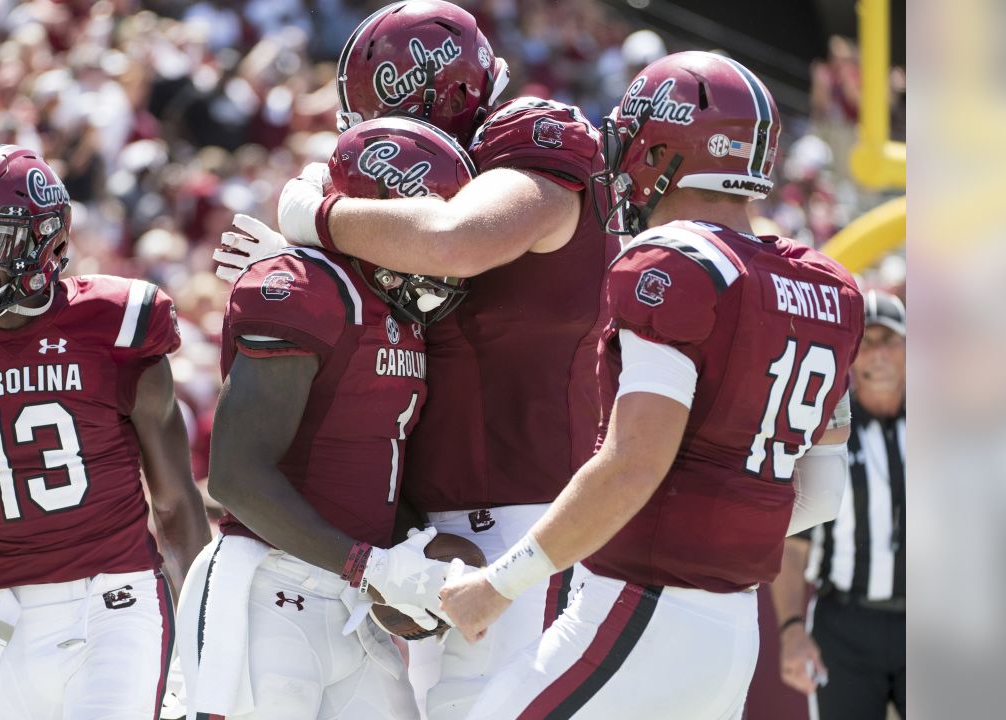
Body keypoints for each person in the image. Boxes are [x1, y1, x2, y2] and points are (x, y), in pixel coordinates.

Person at [438, 51, 865, 719]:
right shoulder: (827, 286)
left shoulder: (673, 264)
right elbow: (823, 492)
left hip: (645, 609)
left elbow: (633, 464)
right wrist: (721, 521)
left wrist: (499, 584)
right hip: (731, 635)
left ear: (660, 144)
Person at [253, 3, 619, 716]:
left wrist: (315, 219)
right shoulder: (403, 212)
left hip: (539, 522)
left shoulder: (530, 138)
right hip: (425, 543)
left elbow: (455, 241)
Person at [0, 144, 211, 720]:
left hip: (117, 606)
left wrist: (204, 646)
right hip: (0, 619)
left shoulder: (117, 321)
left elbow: (175, 506)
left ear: (45, 243)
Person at [178, 117, 475, 720]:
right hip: (267, 587)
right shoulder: (303, 287)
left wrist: (412, 559)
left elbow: (369, 460)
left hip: (350, 599)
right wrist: (375, 566)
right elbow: (235, 476)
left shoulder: (396, 309)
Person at [772, 289, 906, 719]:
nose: (878, 355)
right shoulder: (827, 432)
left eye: (890, 340)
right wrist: (792, 630)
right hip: (846, 624)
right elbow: (792, 546)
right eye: (867, 343)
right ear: (849, 355)